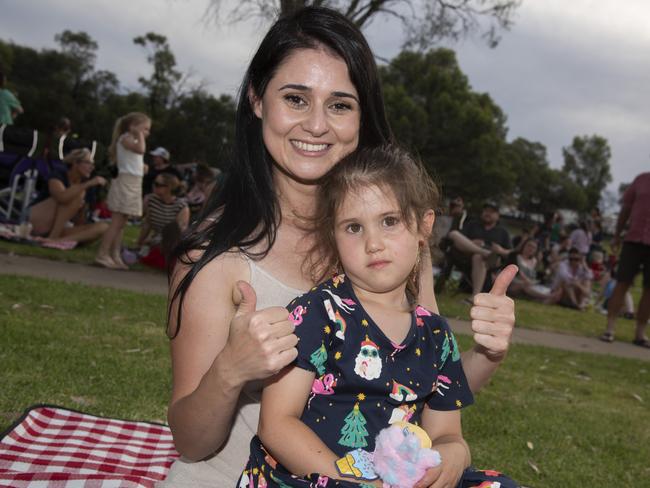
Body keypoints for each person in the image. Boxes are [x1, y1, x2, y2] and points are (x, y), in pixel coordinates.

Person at [161, 7, 517, 487]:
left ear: (361, 116)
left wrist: (488, 355)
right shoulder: (214, 256)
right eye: (295, 98)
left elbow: (417, 386)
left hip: (382, 474)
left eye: (340, 105)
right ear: (257, 100)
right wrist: (231, 369)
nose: (316, 125)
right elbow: (191, 442)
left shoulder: (398, 244)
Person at [241, 145, 516, 488]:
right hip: (317, 474)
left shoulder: (435, 335)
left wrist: (455, 455)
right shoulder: (317, 313)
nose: (373, 243)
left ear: (423, 226)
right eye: (353, 227)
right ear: (333, 237)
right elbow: (277, 424)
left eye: (389, 221)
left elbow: (446, 433)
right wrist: (357, 481)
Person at [600, 171, 650, 347]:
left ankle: (640, 334)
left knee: (648, 290)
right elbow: (626, 208)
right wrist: (616, 235)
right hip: (633, 240)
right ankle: (610, 329)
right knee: (622, 283)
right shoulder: (641, 179)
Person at [95, 112, 151, 270]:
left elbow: (133, 157)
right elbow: (140, 150)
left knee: (122, 223)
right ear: (132, 126)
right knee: (116, 222)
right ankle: (102, 253)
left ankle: (115, 254)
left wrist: (142, 167)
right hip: (125, 183)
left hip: (133, 182)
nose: (147, 132)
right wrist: (139, 134)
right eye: (145, 128)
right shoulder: (125, 138)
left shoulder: (131, 140)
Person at [28, 148, 108, 244]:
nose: (92, 167)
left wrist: (80, 209)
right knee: (77, 194)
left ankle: (59, 241)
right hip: (37, 220)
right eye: (88, 163)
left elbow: (79, 224)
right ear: (75, 163)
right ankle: (53, 238)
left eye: (93, 164)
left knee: (103, 227)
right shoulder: (59, 174)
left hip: (58, 227)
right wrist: (87, 185)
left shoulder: (87, 186)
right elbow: (62, 197)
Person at [446, 202, 512, 296]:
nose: (487, 213)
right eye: (486, 211)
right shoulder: (472, 224)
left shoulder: (502, 232)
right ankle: (483, 252)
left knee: (478, 257)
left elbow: (511, 253)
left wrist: (501, 250)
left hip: (492, 260)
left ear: (498, 216)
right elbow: (459, 240)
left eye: (491, 212)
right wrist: (472, 243)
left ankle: (475, 296)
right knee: (453, 234)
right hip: (466, 255)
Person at [136, 172, 189, 270]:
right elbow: (147, 224)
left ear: (168, 188)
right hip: (156, 241)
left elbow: (180, 231)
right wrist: (139, 242)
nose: (154, 186)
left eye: (157, 184)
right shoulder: (150, 200)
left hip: (171, 242)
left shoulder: (181, 206)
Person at [551, 247, 593, 311]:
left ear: (580, 259)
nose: (573, 261)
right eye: (571, 259)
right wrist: (576, 282)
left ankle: (581, 304)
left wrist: (584, 265)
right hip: (561, 292)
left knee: (587, 281)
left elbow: (590, 276)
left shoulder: (581, 267)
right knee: (567, 283)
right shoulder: (563, 264)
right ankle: (575, 305)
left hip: (574, 292)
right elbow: (564, 276)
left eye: (576, 259)